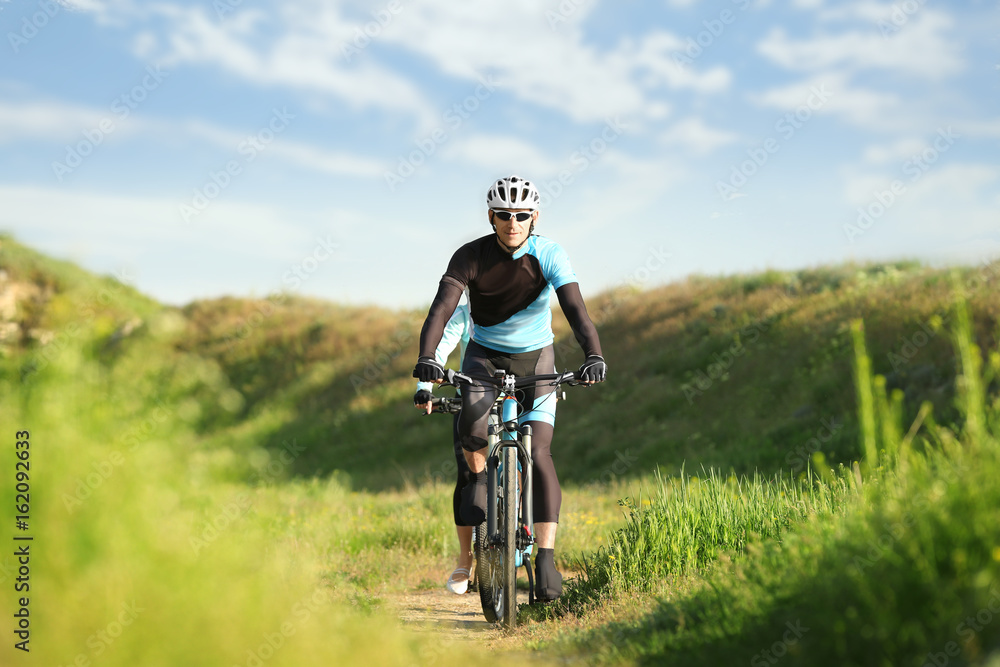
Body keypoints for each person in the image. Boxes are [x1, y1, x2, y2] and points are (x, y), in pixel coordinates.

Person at [412, 175, 606, 602]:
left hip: (537, 360)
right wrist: (428, 360)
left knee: (540, 453)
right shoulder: (470, 255)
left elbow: (576, 309)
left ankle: (546, 558)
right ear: (491, 217)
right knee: (471, 434)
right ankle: (481, 499)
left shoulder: (549, 254)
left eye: (521, 215)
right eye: (503, 215)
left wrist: (593, 354)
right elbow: (442, 310)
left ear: (534, 216)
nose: (512, 222)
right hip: (483, 359)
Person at [412, 293, 478, 595]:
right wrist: (425, 386)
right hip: (472, 398)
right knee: (466, 475)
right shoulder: (464, 315)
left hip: (513, 395)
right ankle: (465, 558)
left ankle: (523, 530)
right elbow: (440, 349)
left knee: (524, 463)